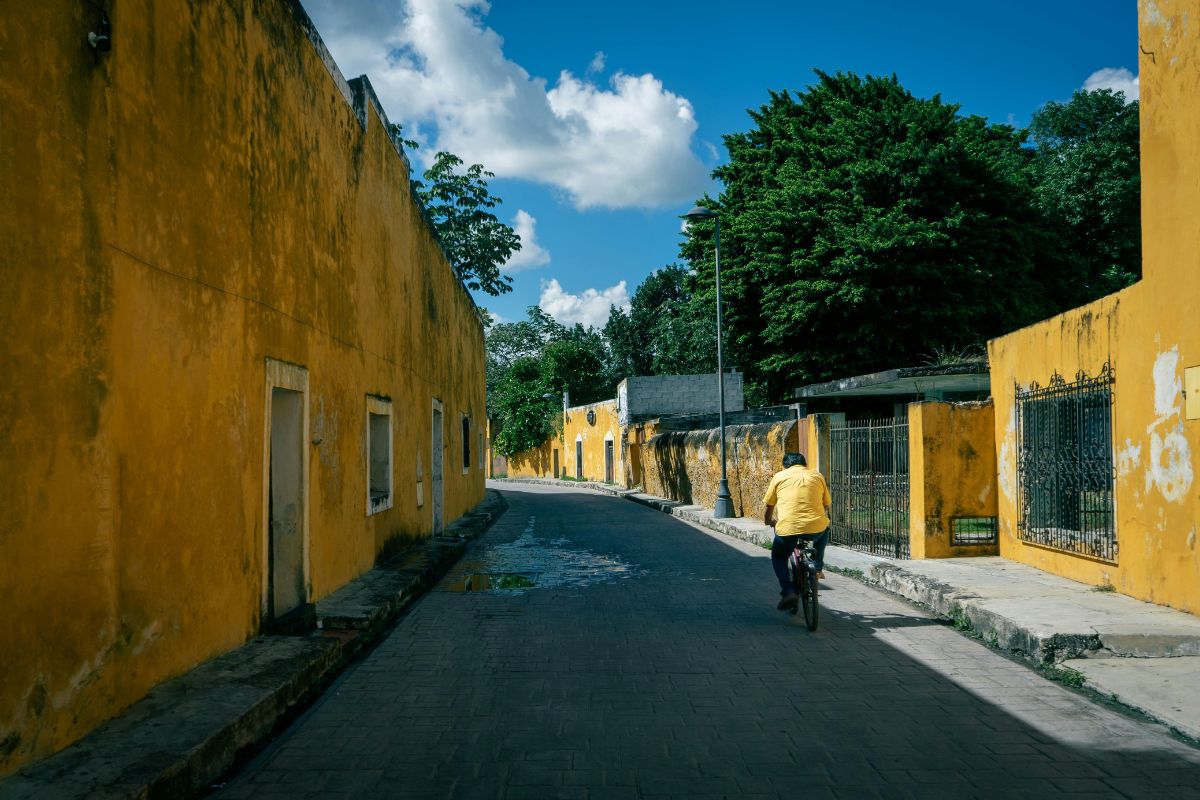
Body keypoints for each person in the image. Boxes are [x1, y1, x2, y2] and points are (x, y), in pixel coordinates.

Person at [762, 452, 831, 611]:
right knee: (825, 528)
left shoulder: (779, 477)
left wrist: (769, 522)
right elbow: (826, 504)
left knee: (778, 557)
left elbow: (769, 506)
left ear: (785, 465)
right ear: (804, 464)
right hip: (816, 527)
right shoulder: (817, 476)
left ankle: (788, 590)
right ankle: (818, 568)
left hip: (787, 529)